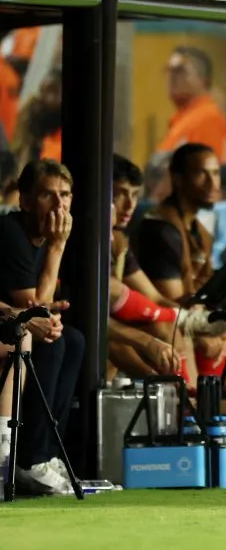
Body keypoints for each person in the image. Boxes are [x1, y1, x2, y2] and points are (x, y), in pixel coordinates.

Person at [0, 160, 80, 495]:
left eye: (64, 195)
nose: (59, 205)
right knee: (52, 343)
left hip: (11, 325)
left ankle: (44, 453)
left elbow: (40, 310)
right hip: (8, 329)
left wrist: (48, 316)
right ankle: (28, 459)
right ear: (26, 199)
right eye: (48, 195)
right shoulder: (11, 233)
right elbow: (34, 308)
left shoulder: (42, 235)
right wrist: (58, 247)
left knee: (74, 341)